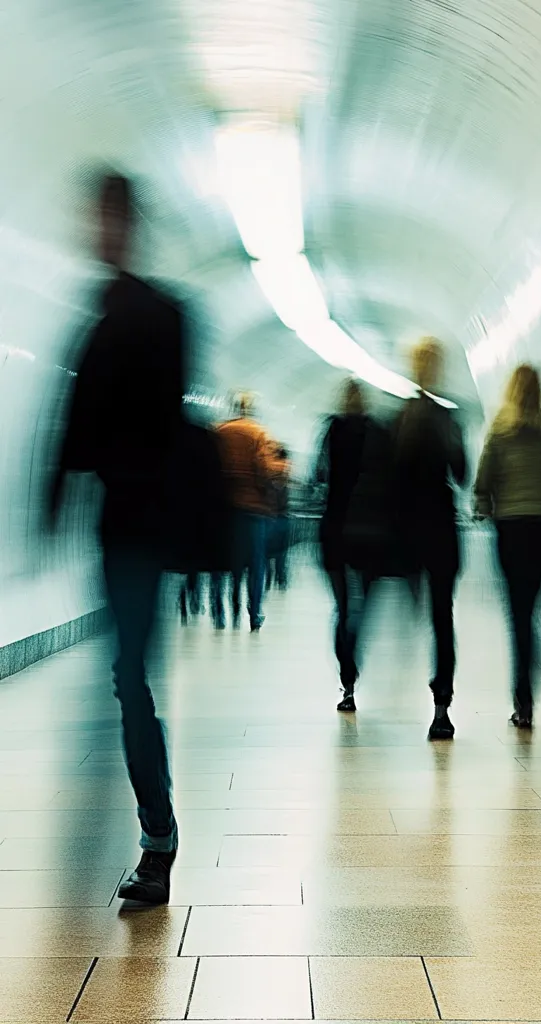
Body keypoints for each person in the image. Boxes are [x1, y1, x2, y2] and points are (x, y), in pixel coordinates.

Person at [50, 171, 183, 903]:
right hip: (118, 525)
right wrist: (57, 491)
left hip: (145, 527)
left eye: (104, 217)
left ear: (127, 224)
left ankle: (157, 839)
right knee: (125, 680)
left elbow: (135, 424)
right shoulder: (100, 314)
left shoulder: (155, 314)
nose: (94, 231)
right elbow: (74, 423)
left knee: (131, 679)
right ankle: (154, 829)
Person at [475, 364, 541, 729]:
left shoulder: (500, 433)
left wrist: (485, 507)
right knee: (533, 609)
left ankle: (524, 701)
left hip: (513, 530)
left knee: (518, 615)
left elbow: (482, 483)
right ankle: (534, 664)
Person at [395, 338, 466, 740]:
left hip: (407, 529)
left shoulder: (399, 418)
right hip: (441, 526)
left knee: (416, 608)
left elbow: (391, 476)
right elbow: (461, 472)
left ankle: (353, 684)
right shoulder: (447, 418)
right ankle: (442, 705)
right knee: (443, 616)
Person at [317, 379, 398, 712]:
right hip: (371, 531)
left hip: (335, 530)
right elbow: (393, 483)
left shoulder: (331, 431)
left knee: (342, 606)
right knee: (363, 606)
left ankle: (347, 679)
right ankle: (353, 649)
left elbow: (319, 476)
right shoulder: (379, 432)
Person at [213, 393, 282, 631]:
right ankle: (254, 612)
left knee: (223, 559)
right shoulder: (258, 433)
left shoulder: (219, 432)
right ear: (251, 409)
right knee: (256, 562)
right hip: (254, 508)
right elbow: (264, 469)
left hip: (224, 508)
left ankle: (220, 609)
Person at [266, 445, 291, 591]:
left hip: (270, 515)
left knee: (267, 551)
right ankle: (281, 578)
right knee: (282, 551)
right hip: (283, 515)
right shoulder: (286, 471)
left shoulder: (269, 471)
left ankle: (268, 578)